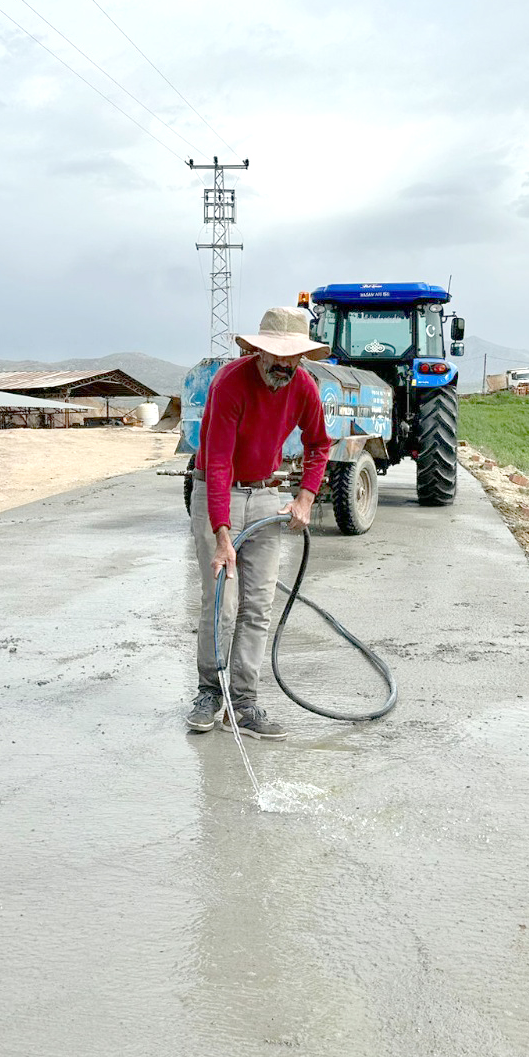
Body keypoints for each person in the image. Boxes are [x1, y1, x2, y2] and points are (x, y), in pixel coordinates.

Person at [186, 306, 333, 739]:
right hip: (219, 489)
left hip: (268, 493)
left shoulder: (303, 385)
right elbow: (216, 463)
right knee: (221, 602)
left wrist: (305, 497)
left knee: (257, 606)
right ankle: (210, 692)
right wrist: (222, 536)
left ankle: (245, 704)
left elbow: (320, 444)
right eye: (276, 356)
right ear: (256, 350)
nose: (284, 366)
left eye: (293, 359)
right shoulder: (230, 382)